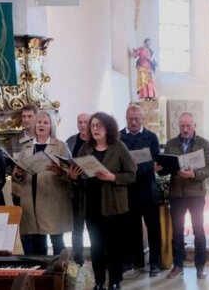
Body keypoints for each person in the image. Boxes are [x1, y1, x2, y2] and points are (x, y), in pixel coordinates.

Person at [68, 112, 136, 290]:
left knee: (114, 246)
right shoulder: (86, 149)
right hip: (92, 205)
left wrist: (113, 177)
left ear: (108, 128)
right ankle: (99, 281)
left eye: (99, 126)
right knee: (96, 246)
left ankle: (114, 281)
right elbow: (81, 174)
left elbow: (132, 174)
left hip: (115, 205)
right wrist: (74, 176)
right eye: (93, 126)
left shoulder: (118, 147)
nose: (95, 129)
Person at [12, 111, 73, 256]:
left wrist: (61, 172)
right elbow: (16, 173)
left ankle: (60, 273)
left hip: (52, 199)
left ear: (51, 126)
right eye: (39, 122)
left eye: (45, 122)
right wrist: (18, 173)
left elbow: (71, 173)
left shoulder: (60, 146)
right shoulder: (26, 147)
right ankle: (42, 274)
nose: (41, 125)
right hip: (30, 199)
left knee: (57, 240)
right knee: (37, 240)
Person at [163, 112, 209, 279]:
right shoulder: (171, 144)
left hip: (196, 194)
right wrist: (160, 168)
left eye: (188, 126)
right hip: (176, 193)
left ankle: (200, 266)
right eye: (182, 126)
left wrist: (194, 174)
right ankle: (178, 264)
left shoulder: (204, 144)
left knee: (198, 230)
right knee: (177, 231)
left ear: (194, 126)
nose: (185, 129)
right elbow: (166, 168)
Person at [119, 104, 162, 276]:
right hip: (127, 190)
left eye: (137, 119)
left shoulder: (151, 137)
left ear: (143, 119)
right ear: (126, 119)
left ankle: (154, 263)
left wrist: (141, 168)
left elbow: (156, 162)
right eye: (130, 119)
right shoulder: (119, 137)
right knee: (131, 228)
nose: (134, 122)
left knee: (153, 228)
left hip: (147, 189)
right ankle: (134, 262)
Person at [65, 112, 91, 265]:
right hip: (76, 189)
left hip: (93, 190)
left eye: (85, 122)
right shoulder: (71, 141)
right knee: (77, 228)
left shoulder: (97, 141)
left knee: (95, 229)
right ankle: (78, 259)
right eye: (79, 122)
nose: (82, 125)